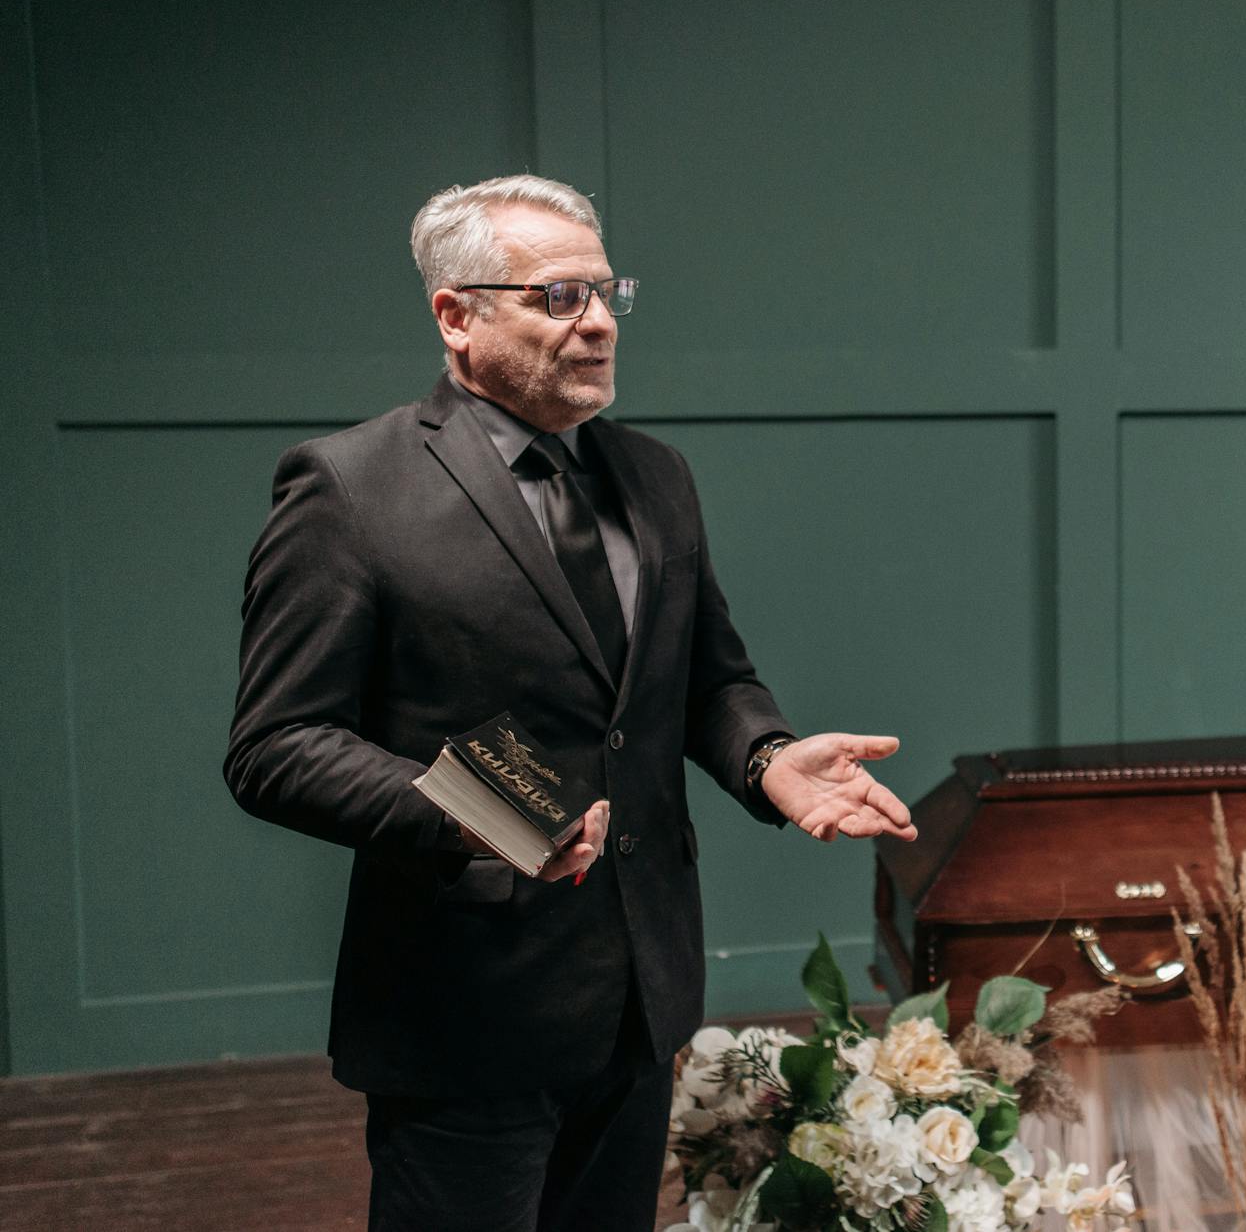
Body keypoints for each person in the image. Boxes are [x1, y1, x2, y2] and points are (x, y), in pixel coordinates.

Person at [224, 173, 917, 1231]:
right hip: (464, 1010)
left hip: (640, 997)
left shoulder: (654, 474)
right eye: (558, 297)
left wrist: (764, 755)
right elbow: (276, 743)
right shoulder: (349, 486)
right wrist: (489, 817)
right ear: (456, 315)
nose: (596, 322)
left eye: (606, 293)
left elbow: (703, 680)